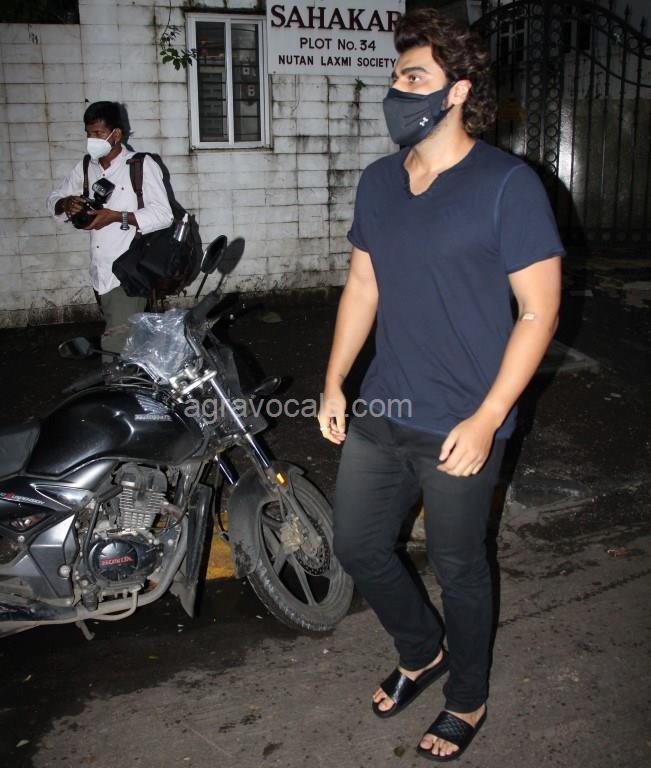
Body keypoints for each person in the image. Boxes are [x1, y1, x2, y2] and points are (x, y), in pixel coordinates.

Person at [318, 8, 564, 763]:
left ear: (457, 91)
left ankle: (467, 695)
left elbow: (538, 311)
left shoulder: (506, 184)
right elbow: (363, 284)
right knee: (357, 545)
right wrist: (335, 381)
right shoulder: (378, 181)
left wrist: (489, 416)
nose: (398, 89)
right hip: (385, 404)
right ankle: (421, 649)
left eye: (414, 76)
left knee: (459, 568)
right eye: (396, 75)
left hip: (462, 417)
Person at [47, 101, 173, 356]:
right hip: (100, 273)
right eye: (88, 133)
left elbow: (164, 215)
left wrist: (116, 217)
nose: (92, 140)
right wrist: (66, 203)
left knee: (114, 347)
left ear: (116, 134)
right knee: (128, 343)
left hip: (128, 273)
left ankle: (116, 381)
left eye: (98, 133)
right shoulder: (86, 167)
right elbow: (53, 200)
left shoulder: (140, 165)